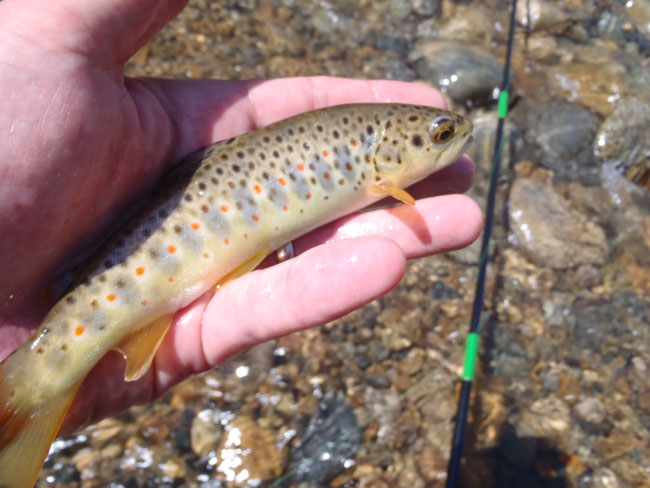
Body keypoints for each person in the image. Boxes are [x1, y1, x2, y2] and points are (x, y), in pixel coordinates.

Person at [0, 0, 482, 434]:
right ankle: (37, 377)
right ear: (392, 153)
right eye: (441, 135)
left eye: (441, 133)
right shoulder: (385, 177)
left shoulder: (381, 169)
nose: (453, 136)